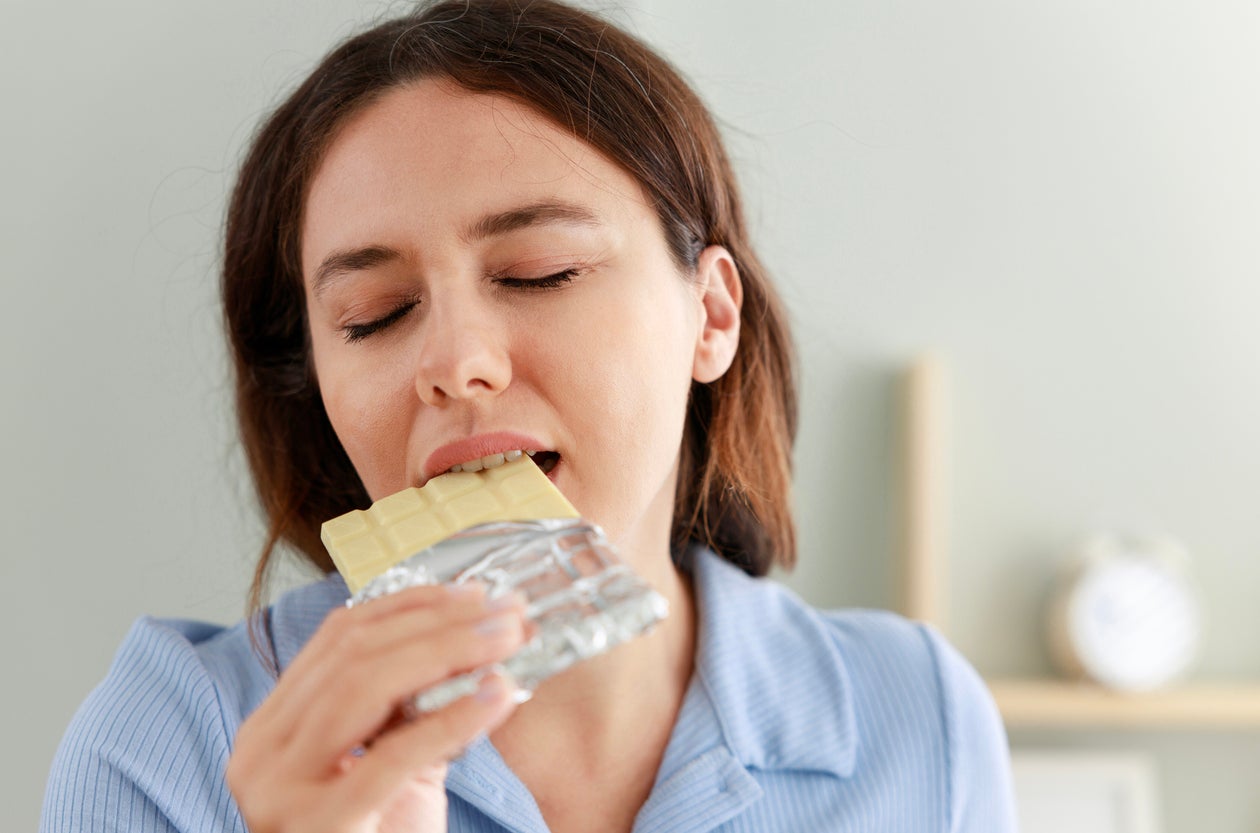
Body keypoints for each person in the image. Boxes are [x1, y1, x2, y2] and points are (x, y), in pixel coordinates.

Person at [42, 1, 1016, 830]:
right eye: (374, 315)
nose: (456, 363)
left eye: (540, 272)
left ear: (712, 316)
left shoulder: (917, 717)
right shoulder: (165, 748)